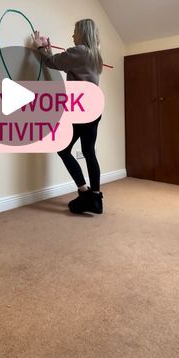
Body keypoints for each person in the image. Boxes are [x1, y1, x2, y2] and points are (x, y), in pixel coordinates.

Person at [32, 19, 103, 215]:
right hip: (94, 107)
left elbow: (52, 62)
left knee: (62, 149)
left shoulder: (78, 51)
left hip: (81, 109)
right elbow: (63, 63)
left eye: (74, 31)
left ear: (82, 33)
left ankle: (84, 192)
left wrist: (40, 47)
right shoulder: (95, 54)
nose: (72, 35)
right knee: (89, 152)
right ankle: (96, 199)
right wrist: (47, 48)